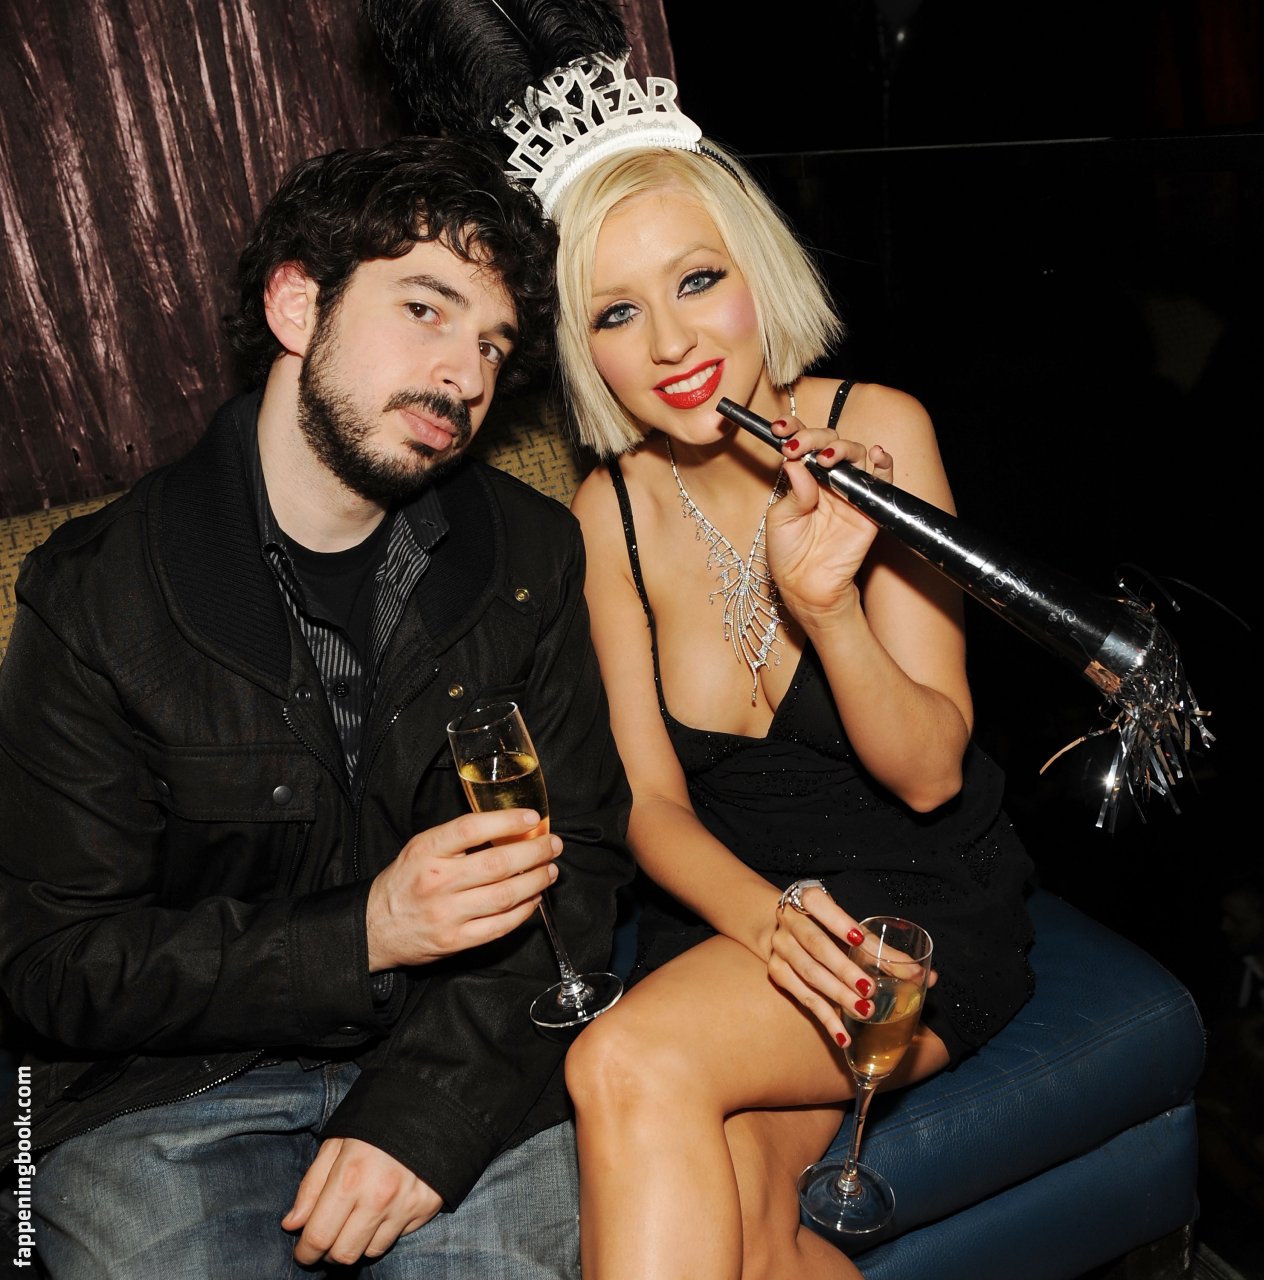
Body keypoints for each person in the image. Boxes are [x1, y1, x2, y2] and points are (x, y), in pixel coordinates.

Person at [364, 4, 1036, 1277]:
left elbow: (929, 772)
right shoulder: (604, 512)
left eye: (695, 280)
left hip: (915, 916)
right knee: (745, 1228)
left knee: (621, 1058)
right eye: (613, 313)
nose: (669, 344)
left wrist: (827, 606)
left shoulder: (880, 426)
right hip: (736, 921)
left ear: (753, 269)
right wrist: (763, 916)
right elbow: (650, 802)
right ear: (577, 347)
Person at [0, 135, 632, 1279]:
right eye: (426, 309)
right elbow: (56, 961)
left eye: (492, 343)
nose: (465, 374)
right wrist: (364, 934)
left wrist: (423, 1115)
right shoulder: (95, 594)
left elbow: (577, 854)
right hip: (175, 1092)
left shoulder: (528, 553)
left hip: (466, 1043)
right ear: (297, 305)